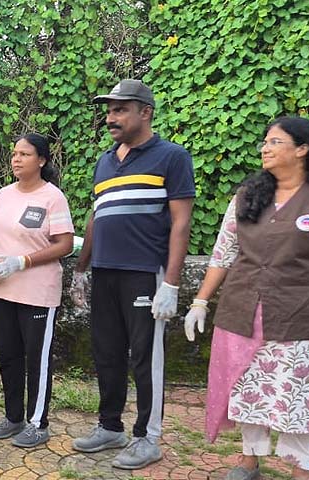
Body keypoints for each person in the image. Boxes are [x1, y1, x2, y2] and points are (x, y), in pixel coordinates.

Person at [183, 117, 309, 480]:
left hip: (308, 317)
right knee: (249, 391)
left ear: (302, 149)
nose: (265, 148)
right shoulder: (247, 196)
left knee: (300, 395)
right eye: (265, 142)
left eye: (275, 142)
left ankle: (301, 469)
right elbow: (224, 253)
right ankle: (249, 460)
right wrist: (200, 301)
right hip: (244, 313)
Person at [69, 79, 195, 469]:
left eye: (121, 109)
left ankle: (148, 437)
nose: (111, 117)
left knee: (145, 358)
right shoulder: (105, 161)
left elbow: (181, 223)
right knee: (106, 353)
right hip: (104, 273)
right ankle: (110, 427)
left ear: (146, 112)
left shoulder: (172, 157)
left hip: (144, 274)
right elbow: (97, 216)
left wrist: (170, 283)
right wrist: (81, 268)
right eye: (109, 110)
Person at [0, 134, 74, 448]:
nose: (16, 159)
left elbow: (64, 244)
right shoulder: (2, 196)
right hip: (2, 289)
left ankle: (38, 422)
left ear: (42, 160)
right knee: (8, 356)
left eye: (25, 154)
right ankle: (13, 416)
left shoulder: (52, 197)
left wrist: (22, 261)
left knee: (37, 358)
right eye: (14, 154)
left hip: (37, 291)